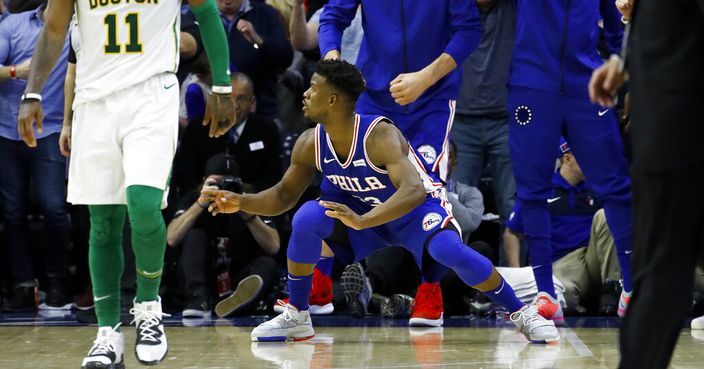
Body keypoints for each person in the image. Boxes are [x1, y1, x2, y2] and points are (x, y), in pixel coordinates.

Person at [201, 59, 559, 344]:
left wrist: (364, 220)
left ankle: (520, 312)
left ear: (333, 99)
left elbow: (414, 191)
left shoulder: (379, 135)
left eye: (313, 87)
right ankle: (298, 314)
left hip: (416, 212)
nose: (305, 94)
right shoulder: (310, 142)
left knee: (449, 252)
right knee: (308, 217)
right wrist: (241, 201)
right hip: (364, 221)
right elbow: (282, 196)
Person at [16, 0, 236, 368]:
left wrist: (224, 86)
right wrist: (33, 92)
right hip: (94, 100)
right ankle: (108, 335)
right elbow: (54, 29)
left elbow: (208, 13)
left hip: (152, 93)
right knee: (102, 223)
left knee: (144, 206)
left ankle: (149, 308)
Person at [589, 0, 704, 368]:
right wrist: (625, 62)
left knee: (661, 274)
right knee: (659, 273)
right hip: (665, 122)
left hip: (681, 123)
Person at [506, 0, 634, 325]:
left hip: (587, 86)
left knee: (616, 186)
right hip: (531, 85)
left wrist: (626, 76)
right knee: (532, 191)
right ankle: (546, 292)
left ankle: (632, 284)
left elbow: (616, 28)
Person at [0, 2, 71, 312]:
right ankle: (23, 284)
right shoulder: (13, 25)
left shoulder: (77, 29)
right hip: (5, 129)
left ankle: (58, 281)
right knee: (12, 212)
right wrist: (18, 71)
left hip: (51, 128)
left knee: (54, 208)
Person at [504, 139, 624, 316]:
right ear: (568, 159)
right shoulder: (540, 189)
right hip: (559, 264)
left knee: (607, 215)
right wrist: (517, 278)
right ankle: (587, 299)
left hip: (591, 257)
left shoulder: (599, 187)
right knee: (561, 298)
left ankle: (612, 287)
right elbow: (512, 233)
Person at [167, 154, 280, 318]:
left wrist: (244, 209)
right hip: (203, 276)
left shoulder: (251, 199)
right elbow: (172, 238)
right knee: (194, 235)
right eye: (216, 183)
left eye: (228, 183)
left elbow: (273, 246)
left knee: (267, 263)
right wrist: (200, 204)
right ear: (205, 181)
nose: (222, 190)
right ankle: (199, 298)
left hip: (235, 276)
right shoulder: (193, 198)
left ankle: (237, 303)